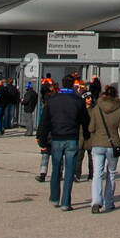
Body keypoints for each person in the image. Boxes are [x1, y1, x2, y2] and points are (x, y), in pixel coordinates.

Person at [37, 74, 89, 211]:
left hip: (57, 137)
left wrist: (42, 139)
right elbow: (85, 120)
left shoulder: (53, 99)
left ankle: (54, 198)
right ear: (73, 85)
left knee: (56, 168)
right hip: (72, 136)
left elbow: (45, 121)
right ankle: (66, 202)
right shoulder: (78, 100)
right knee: (69, 171)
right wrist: (87, 134)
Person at [88, 85, 120, 214]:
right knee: (111, 173)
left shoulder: (97, 108)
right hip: (113, 146)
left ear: (104, 95)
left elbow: (91, 128)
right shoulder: (119, 110)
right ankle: (109, 202)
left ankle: (96, 201)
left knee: (97, 174)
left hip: (98, 144)